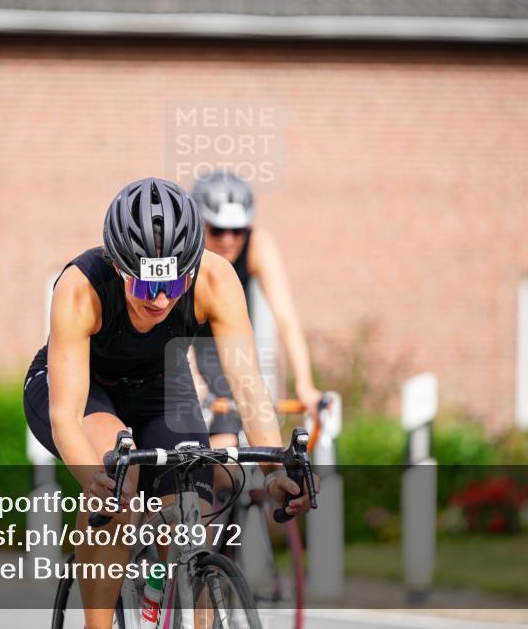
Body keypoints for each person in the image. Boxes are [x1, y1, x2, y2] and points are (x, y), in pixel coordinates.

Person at [23, 177, 317, 629]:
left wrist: (275, 471)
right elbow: (65, 416)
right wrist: (97, 483)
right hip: (82, 387)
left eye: (173, 284)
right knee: (119, 473)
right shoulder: (80, 289)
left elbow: (247, 384)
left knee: (189, 519)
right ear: (119, 267)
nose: (160, 300)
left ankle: (175, 601)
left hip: (160, 387)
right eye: (144, 288)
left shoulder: (215, 279)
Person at [191, 171, 325, 451]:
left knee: (238, 451)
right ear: (200, 225)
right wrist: (190, 375)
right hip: (188, 339)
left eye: (238, 230)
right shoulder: (189, 248)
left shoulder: (259, 245)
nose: (228, 239)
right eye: (217, 230)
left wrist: (305, 383)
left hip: (227, 342)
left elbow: (286, 319)